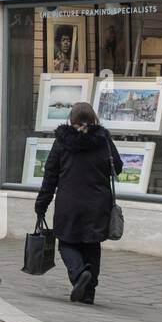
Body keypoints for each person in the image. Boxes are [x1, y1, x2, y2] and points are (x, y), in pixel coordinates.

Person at [34, 101, 124, 305]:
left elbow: (50, 175)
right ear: (93, 119)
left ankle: (79, 273)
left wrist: (42, 203)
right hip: (98, 202)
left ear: (71, 119)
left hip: (69, 201)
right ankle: (89, 292)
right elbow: (116, 168)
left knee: (66, 241)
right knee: (92, 244)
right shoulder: (103, 139)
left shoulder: (61, 142)